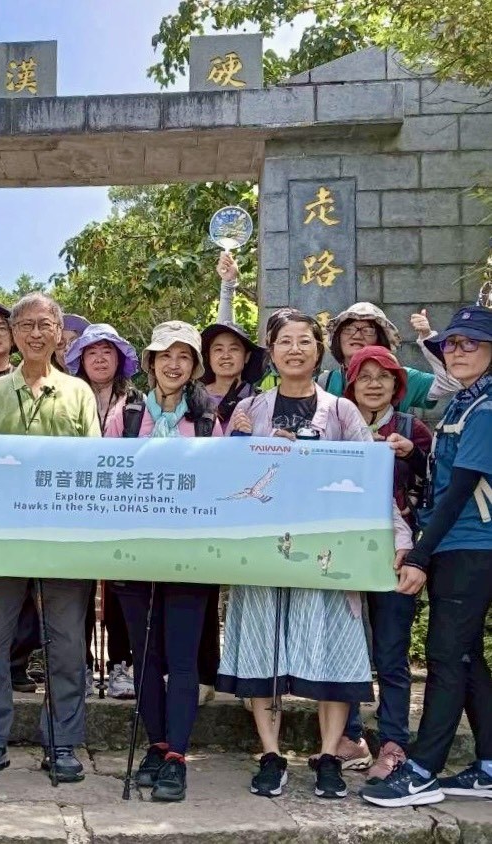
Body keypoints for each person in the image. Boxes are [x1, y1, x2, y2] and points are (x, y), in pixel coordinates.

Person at [217, 311, 415, 801]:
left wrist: (401, 539)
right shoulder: (250, 408)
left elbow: (370, 482)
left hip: (327, 553)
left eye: (304, 341)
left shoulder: (342, 412)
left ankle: (329, 755)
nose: (294, 349)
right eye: (284, 341)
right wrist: (254, 445)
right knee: (262, 649)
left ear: (319, 350)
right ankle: (270, 754)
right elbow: (226, 475)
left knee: (333, 651)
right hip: (262, 553)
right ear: (271, 351)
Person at [0, 292, 100, 784]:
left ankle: (62, 742)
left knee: (66, 644)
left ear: (60, 333)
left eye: (45, 325)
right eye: (26, 325)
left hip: (63, 539)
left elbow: (92, 465)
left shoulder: (79, 393)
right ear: (13, 334)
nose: (36, 334)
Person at [361, 305, 492, 808]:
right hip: (455, 544)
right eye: (452, 343)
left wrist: (418, 555)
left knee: (445, 656)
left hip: (471, 546)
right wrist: (414, 454)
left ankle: (421, 770)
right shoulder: (464, 403)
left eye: (470, 343)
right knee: (467, 656)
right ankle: (488, 765)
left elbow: (459, 491)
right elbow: (442, 474)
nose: (458, 351)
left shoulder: (486, 409)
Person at [104, 321, 222, 801]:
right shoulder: (126, 415)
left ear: (194, 366)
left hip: (190, 555)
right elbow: (106, 476)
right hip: (135, 552)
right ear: (150, 363)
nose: (174, 365)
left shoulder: (209, 421)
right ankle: (156, 745)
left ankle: (177, 756)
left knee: (183, 657)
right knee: (146, 655)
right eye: (164, 356)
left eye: (184, 356)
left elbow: (220, 484)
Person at [325, 346, 432, 780]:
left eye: (383, 376)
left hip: (396, 553)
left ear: (396, 384)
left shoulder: (412, 429)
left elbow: (436, 485)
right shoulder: (335, 428)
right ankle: (349, 737)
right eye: (364, 376)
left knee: (390, 652)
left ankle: (393, 743)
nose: (373, 384)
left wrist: (413, 456)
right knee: (346, 648)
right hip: (346, 552)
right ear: (350, 385)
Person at [65, 323, 141, 699]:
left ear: (120, 359)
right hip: (75, 501)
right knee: (77, 587)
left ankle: (120, 665)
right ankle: (78, 664)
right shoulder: (66, 396)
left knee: (119, 588)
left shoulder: (136, 400)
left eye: (107, 351)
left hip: (122, 504)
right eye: (91, 352)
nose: (99, 358)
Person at [196, 319, 267, 702]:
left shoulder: (259, 400)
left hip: (244, 504)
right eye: (217, 349)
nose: (225, 356)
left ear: (246, 357)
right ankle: (204, 673)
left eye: (234, 349)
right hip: (200, 502)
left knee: (246, 589)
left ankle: (247, 676)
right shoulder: (192, 396)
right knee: (200, 588)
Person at [322, 303, 461, 409]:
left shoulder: (404, 377)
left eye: (368, 330)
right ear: (338, 338)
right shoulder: (323, 382)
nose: (357, 336)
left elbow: (453, 381)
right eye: (348, 329)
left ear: (381, 339)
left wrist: (428, 338)